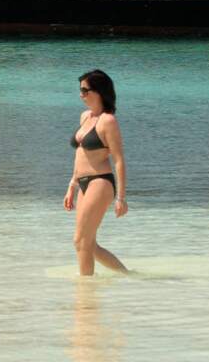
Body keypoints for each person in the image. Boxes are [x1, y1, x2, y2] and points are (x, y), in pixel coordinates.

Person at [63, 69, 128, 276]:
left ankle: (85, 289)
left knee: (80, 240)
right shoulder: (85, 116)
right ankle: (128, 275)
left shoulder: (108, 121)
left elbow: (118, 160)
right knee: (89, 243)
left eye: (85, 90)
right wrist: (72, 185)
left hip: (100, 181)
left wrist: (121, 198)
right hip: (82, 182)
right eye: (80, 90)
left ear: (98, 91)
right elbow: (80, 154)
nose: (81, 94)